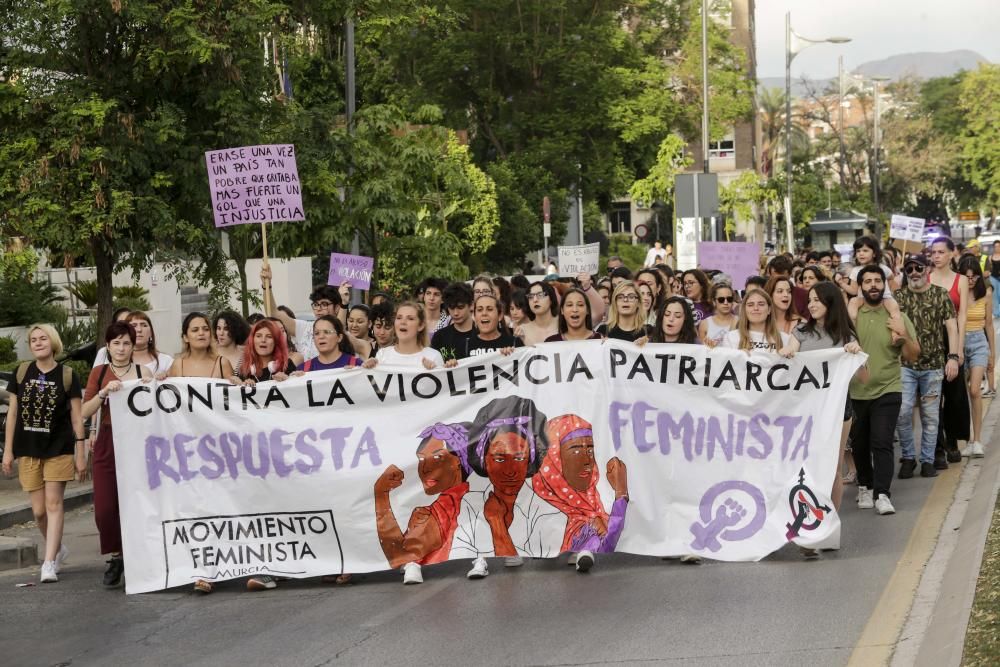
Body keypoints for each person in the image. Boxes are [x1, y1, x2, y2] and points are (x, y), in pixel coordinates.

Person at [2, 324, 87, 584]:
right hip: (27, 449)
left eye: (43, 338)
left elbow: (76, 418)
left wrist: (80, 453)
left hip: (58, 449)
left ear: (53, 342)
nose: (38, 343)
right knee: (38, 511)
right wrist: (8, 452)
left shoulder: (68, 375)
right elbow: (13, 414)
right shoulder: (22, 372)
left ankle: (49, 562)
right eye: (34, 340)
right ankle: (58, 547)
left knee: (53, 505)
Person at [779, 283, 867, 521]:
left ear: (831, 302)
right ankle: (805, 517)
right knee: (805, 465)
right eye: (810, 300)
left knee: (833, 467)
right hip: (806, 410)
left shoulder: (846, 335)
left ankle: (828, 523)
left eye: (817, 300)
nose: (812, 305)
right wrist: (787, 352)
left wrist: (855, 352)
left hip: (839, 409)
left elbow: (864, 378)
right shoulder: (801, 331)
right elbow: (789, 352)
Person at [81, 321, 151, 588]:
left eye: (126, 343)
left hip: (137, 440)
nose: (121, 348)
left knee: (136, 501)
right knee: (105, 508)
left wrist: (149, 385)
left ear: (133, 346)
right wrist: (103, 393)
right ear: (108, 346)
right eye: (116, 343)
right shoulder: (99, 372)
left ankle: (134, 555)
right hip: (108, 439)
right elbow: (85, 411)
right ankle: (117, 553)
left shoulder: (141, 370)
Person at [849, 265, 919, 516]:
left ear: (884, 285)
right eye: (867, 281)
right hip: (856, 392)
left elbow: (913, 355)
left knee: (882, 441)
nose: (873, 285)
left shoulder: (897, 317)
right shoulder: (851, 317)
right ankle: (865, 486)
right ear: (860, 287)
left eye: (878, 280)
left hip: (889, 388)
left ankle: (882, 494)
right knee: (859, 444)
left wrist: (903, 337)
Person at [462, 397, 556, 579]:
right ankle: (480, 558)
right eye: (499, 459)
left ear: (530, 458)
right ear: (483, 459)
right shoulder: (467, 505)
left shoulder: (545, 507)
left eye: (519, 457)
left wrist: (497, 523)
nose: (510, 472)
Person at [373, 422, 472, 585]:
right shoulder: (435, 511)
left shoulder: (437, 513)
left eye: (438, 456)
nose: (425, 468)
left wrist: (381, 495)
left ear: (458, 461)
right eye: (421, 458)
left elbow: (399, 554)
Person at [533, 414, 628, 573]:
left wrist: (621, 492)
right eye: (576, 450)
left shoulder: (595, 504)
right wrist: (621, 492)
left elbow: (610, 541)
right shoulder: (536, 510)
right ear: (554, 458)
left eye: (590, 450)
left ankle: (584, 549)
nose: (587, 461)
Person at [893, 254, 959, 479]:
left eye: (918, 268)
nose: (913, 273)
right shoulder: (897, 297)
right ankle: (909, 458)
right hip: (904, 365)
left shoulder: (940, 295)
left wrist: (953, 357)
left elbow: (952, 328)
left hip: (933, 365)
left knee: (931, 417)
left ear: (927, 269)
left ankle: (928, 460)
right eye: (909, 269)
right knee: (902, 412)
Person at [929, 237, 970, 466]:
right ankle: (936, 445)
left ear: (951, 254)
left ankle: (953, 441)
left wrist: (959, 348)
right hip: (931, 342)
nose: (936, 256)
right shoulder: (925, 278)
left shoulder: (961, 280)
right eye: (933, 252)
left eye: (941, 252)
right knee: (933, 397)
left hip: (953, 339)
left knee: (954, 395)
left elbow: (961, 315)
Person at [958, 255, 994, 458]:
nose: (971, 280)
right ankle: (968, 439)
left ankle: (978, 440)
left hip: (979, 342)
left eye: (974, 277)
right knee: (961, 395)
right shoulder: (956, 294)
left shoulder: (986, 293)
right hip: (959, 344)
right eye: (967, 276)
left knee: (974, 390)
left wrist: (992, 354)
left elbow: (989, 324)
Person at [363, 302, 444, 370]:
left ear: (421, 325)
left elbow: (444, 387)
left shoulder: (433, 356)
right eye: (399, 318)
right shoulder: (382, 355)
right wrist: (367, 369)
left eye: (410, 319)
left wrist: (434, 371)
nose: (403, 322)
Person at [167, 312, 237, 381]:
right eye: (195, 330)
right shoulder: (177, 364)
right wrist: (161, 378)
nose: (201, 333)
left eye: (206, 329)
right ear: (185, 337)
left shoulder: (223, 363)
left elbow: (234, 390)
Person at [720, 289, 788, 352]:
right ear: (744, 310)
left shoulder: (786, 339)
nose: (756, 308)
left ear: (769, 310)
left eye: (761, 304)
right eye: (750, 305)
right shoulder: (730, 338)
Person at [238, 319, 297, 384]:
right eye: (258, 336)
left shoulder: (287, 365)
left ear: (276, 342)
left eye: (269, 337)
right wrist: (242, 385)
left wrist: (289, 380)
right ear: (252, 341)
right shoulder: (244, 370)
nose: (263, 340)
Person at [296, 316, 362, 371]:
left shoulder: (356, 365)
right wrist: (295, 379)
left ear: (339, 337)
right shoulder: (303, 369)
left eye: (327, 332)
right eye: (316, 333)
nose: (321, 337)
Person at [432, 283, 476, 362]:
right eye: (451, 307)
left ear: (471, 305)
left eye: (460, 307)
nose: (455, 313)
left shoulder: (483, 333)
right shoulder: (440, 337)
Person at [518, 281, 560, 345]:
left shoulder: (564, 323)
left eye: (540, 295)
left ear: (551, 299)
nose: (535, 300)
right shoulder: (522, 330)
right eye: (531, 296)